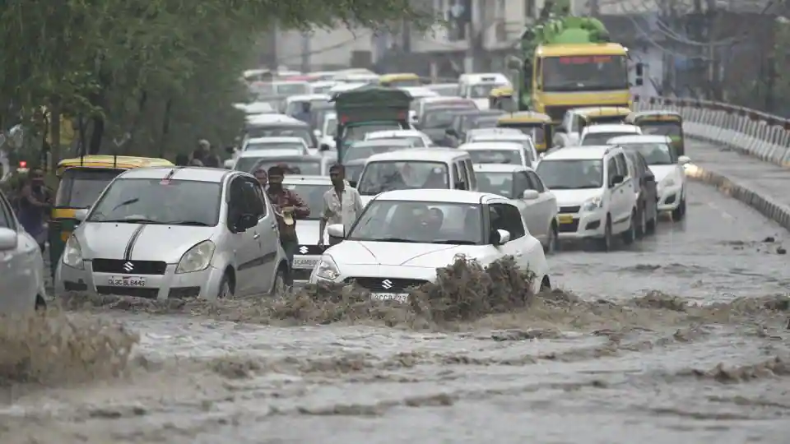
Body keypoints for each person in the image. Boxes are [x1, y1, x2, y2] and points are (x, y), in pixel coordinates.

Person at [266, 165, 310, 285]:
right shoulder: (263, 195)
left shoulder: (289, 195)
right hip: (268, 236)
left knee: (288, 265)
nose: (274, 181)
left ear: (282, 178)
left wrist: (293, 209)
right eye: (272, 178)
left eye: (277, 178)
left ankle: (288, 290)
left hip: (287, 235)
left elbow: (306, 209)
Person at [319, 165, 364, 246]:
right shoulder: (327, 196)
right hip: (334, 237)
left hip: (350, 237)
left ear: (343, 175)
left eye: (336, 175)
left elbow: (361, 215)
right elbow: (323, 218)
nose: (333, 178)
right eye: (331, 175)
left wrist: (360, 234)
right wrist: (321, 238)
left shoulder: (353, 193)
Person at [16, 169, 52, 252]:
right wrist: (46, 205)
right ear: (30, 179)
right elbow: (33, 203)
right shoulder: (27, 190)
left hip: (38, 227)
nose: (38, 179)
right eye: (35, 176)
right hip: (25, 228)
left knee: (40, 248)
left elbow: (52, 204)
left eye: (40, 176)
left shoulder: (45, 191)